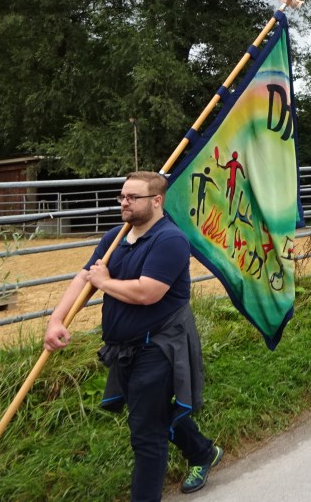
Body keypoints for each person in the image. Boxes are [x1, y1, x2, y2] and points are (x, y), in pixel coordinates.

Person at [43, 172, 222, 500]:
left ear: (156, 201)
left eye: (132, 197)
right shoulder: (115, 237)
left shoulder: (170, 240)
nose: (124, 202)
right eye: (122, 196)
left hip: (161, 346)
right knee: (152, 411)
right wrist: (56, 320)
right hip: (122, 348)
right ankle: (202, 453)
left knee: (145, 433)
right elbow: (85, 276)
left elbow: (147, 293)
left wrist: (104, 283)